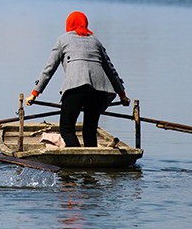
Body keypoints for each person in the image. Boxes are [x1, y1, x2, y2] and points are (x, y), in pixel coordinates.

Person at [27, 11, 129, 148]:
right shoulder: (96, 41)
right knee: (90, 130)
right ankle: (92, 161)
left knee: (67, 128)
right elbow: (111, 70)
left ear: (69, 24)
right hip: (99, 90)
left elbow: (49, 69)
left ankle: (77, 155)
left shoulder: (63, 40)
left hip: (75, 87)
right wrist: (122, 95)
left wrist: (34, 94)